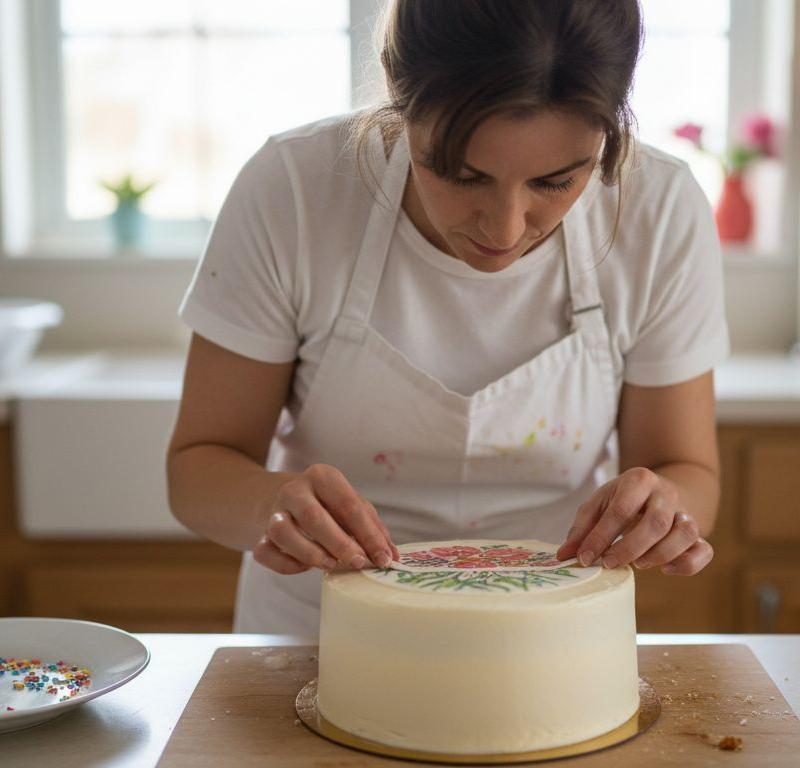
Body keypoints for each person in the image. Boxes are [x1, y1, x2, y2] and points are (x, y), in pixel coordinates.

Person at [167, 0, 729, 637]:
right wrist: (271, 505)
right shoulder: (293, 190)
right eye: (460, 174)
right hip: (317, 637)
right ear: (397, 97)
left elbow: (689, 471)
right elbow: (198, 470)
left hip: (551, 640)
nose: (506, 228)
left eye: (556, 182)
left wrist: (664, 509)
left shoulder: (660, 209)